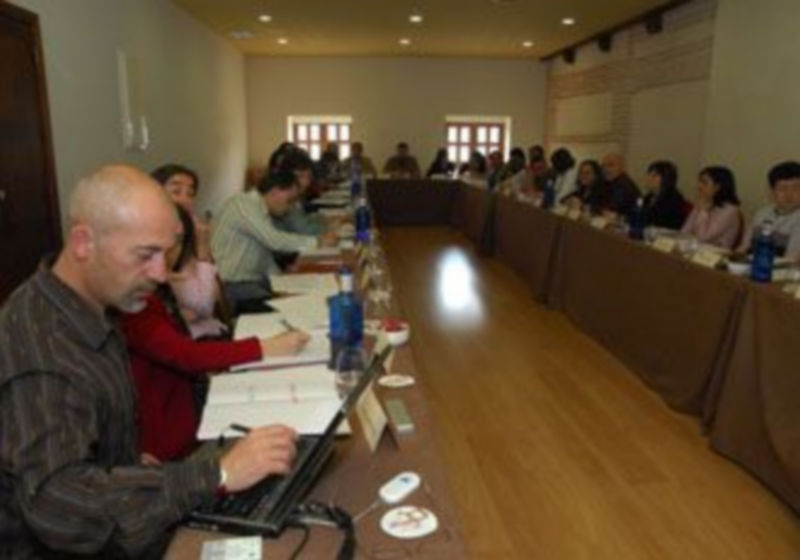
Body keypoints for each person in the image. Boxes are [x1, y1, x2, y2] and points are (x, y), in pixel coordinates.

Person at [0, 165, 298, 557]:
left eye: (166, 252)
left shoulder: (88, 306)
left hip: (124, 518)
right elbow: (59, 507)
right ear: (83, 242)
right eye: (146, 255)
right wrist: (219, 473)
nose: (160, 274)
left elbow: (83, 440)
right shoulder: (44, 352)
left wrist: (127, 466)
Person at [122, 204, 309, 462]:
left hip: (186, 417)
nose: (164, 262)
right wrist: (265, 348)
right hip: (171, 446)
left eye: (175, 243)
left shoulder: (153, 289)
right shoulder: (132, 300)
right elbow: (183, 353)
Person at [211, 169, 338, 312]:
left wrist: (281, 278)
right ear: (275, 191)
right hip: (234, 286)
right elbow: (273, 240)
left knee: (302, 300)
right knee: (292, 308)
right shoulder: (242, 205)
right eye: (289, 200)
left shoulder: (261, 210)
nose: (290, 207)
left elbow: (264, 254)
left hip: (253, 282)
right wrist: (317, 241)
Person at [151, 163, 228, 338]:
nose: (185, 199)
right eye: (176, 191)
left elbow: (213, 300)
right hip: (191, 339)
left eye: (190, 193)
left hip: (208, 330)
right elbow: (204, 304)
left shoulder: (191, 232)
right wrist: (202, 248)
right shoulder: (157, 239)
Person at [739, 161, 800, 257]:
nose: (789, 194)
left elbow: (790, 260)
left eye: (796, 188)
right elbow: (744, 247)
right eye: (783, 188)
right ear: (772, 191)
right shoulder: (761, 213)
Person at [681, 165, 742, 250]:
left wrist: (703, 211)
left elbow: (703, 237)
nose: (699, 186)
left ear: (717, 187)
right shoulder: (704, 202)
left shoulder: (730, 210)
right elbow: (684, 231)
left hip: (713, 258)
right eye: (699, 181)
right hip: (695, 251)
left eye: (704, 182)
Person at [641, 160, 690, 230]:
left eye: (654, 175)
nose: (649, 178)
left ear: (666, 179)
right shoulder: (649, 197)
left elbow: (660, 223)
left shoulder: (673, 199)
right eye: (649, 174)